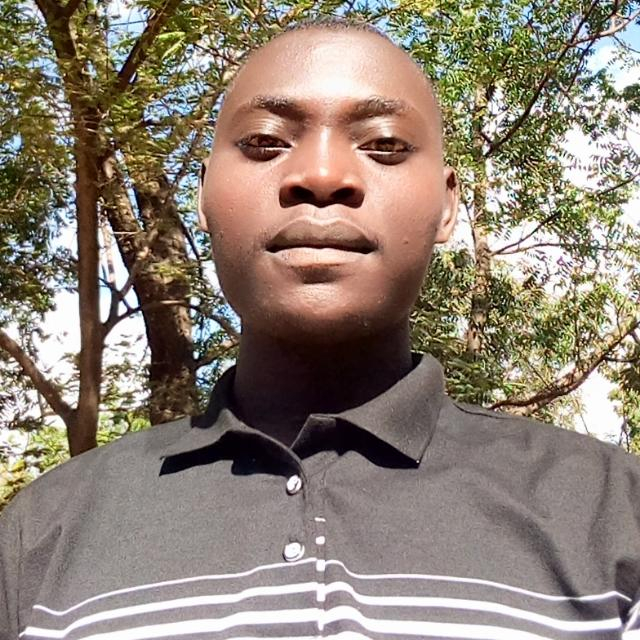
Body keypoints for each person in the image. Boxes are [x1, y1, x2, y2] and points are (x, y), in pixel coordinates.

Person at [1, 18, 640, 640]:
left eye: (384, 145)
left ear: (448, 205)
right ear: (203, 194)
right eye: (265, 142)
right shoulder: (41, 537)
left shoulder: (612, 513)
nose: (323, 176)